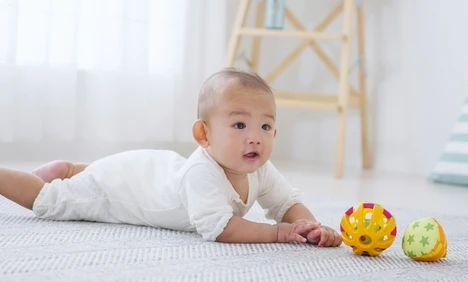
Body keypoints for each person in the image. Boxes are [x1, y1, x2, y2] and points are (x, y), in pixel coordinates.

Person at [0, 68, 342, 247]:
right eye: (239, 124)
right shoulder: (203, 174)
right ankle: (48, 176)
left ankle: (72, 169)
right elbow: (219, 228)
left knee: (91, 175)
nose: (255, 136)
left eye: (266, 126)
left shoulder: (260, 168)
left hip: (149, 171)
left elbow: (286, 203)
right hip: (120, 188)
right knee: (51, 202)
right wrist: (279, 233)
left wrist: (310, 225)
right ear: (203, 135)